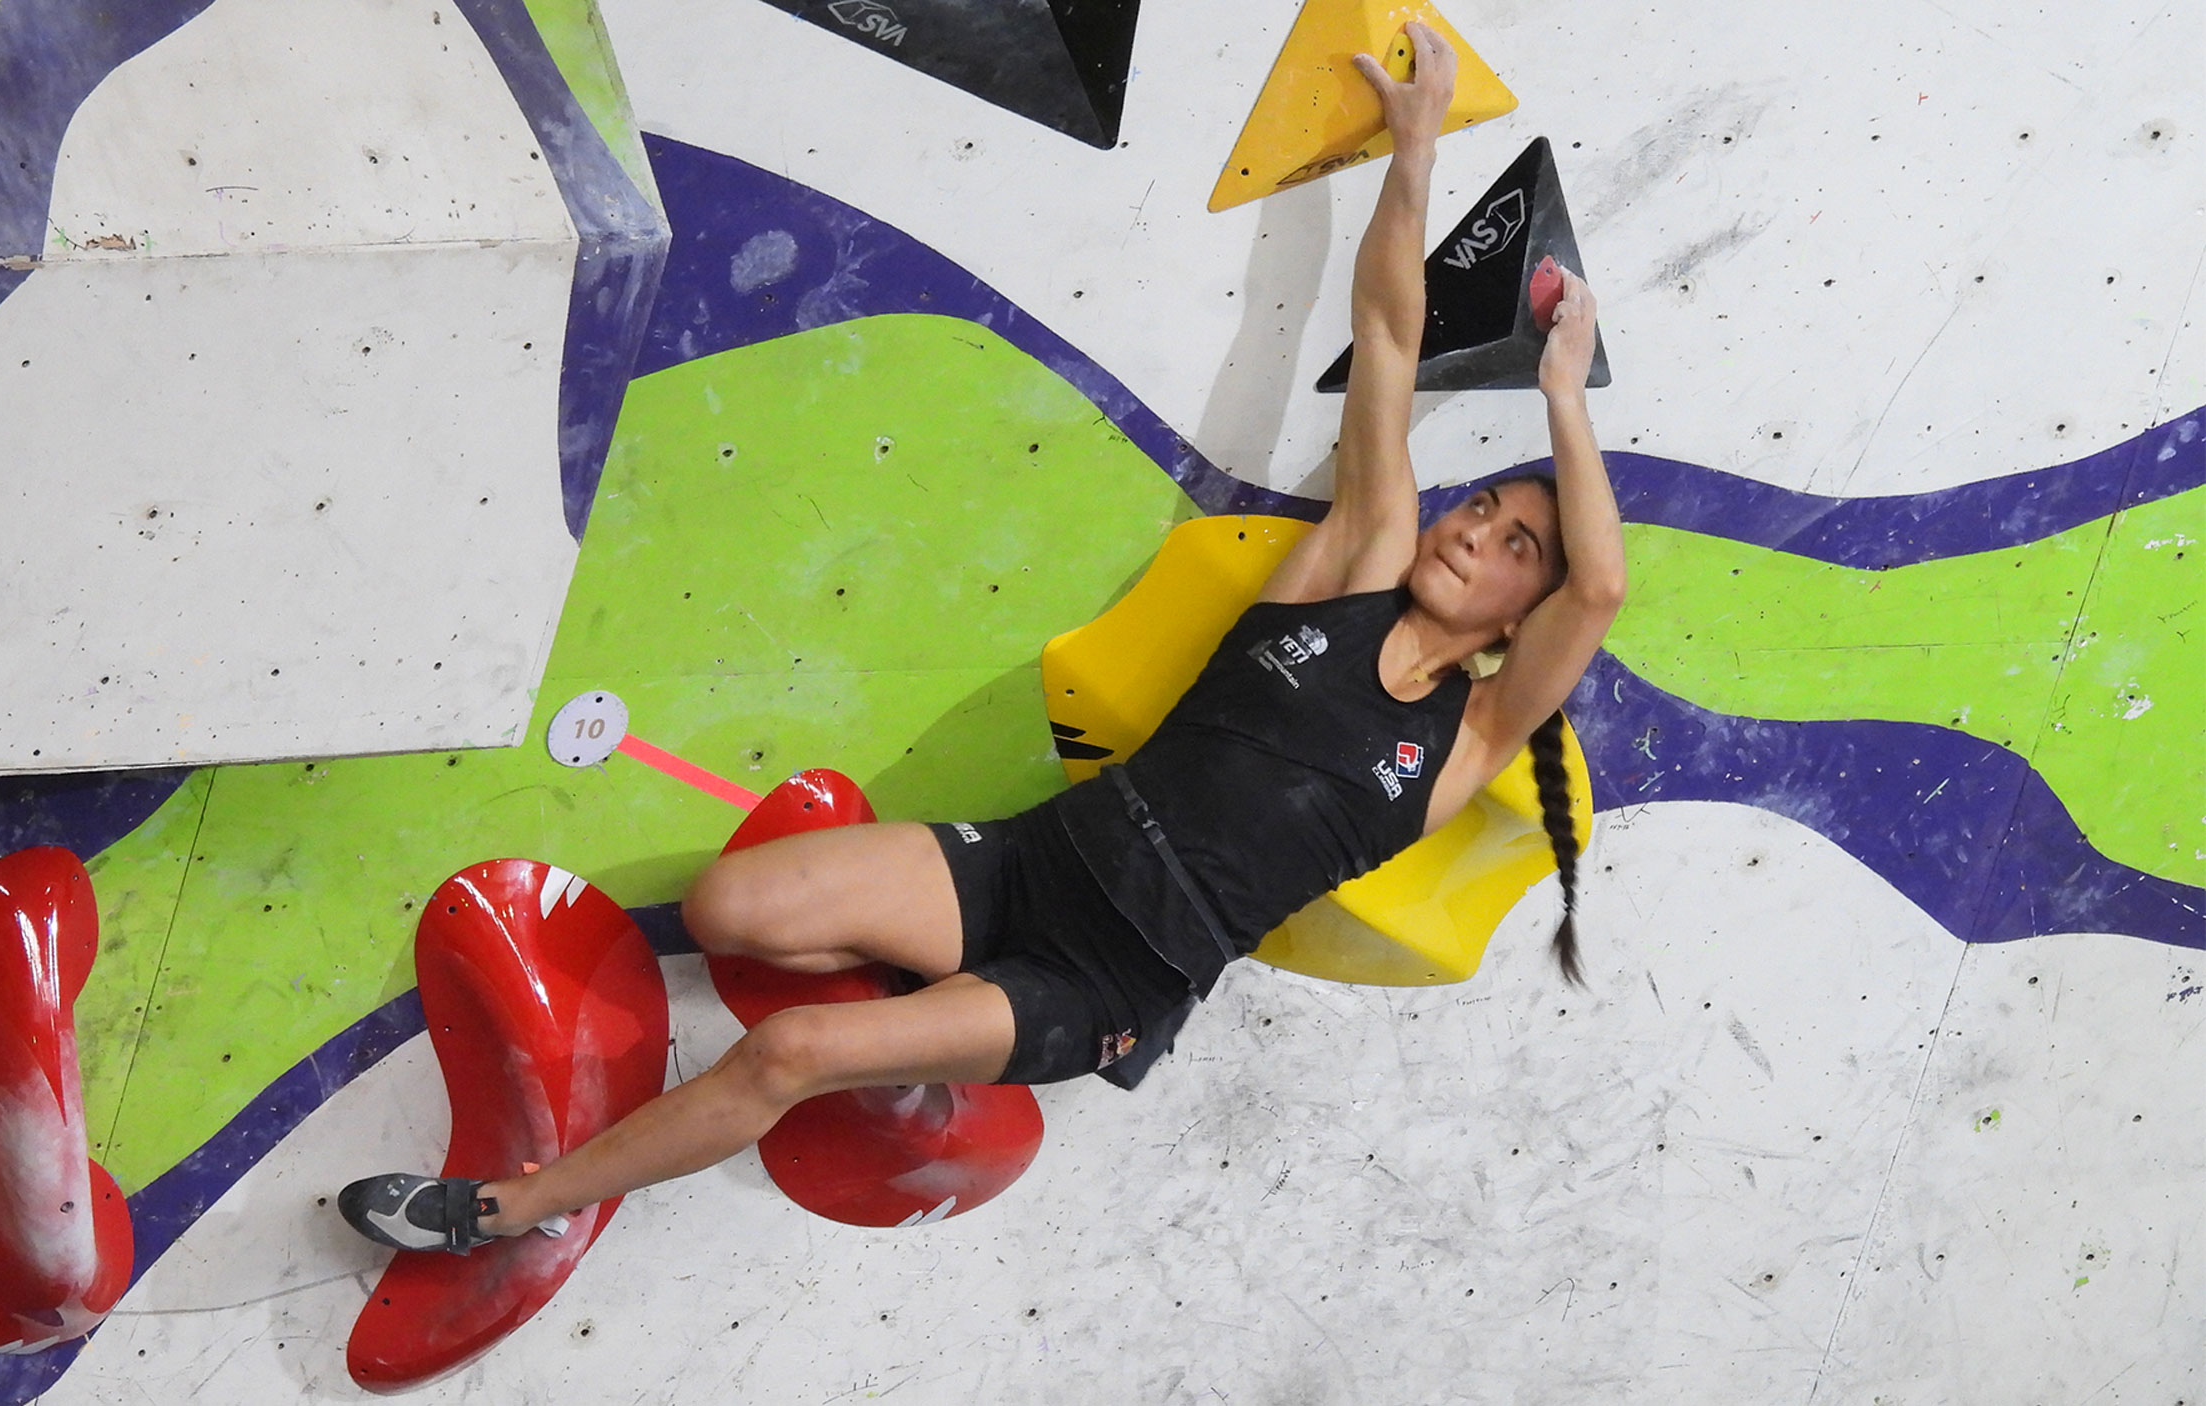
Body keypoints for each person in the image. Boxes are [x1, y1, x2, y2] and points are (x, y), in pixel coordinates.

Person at [339, 22, 1624, 1256]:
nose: (1474, 534)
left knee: (785, 1055)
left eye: (1517, 545)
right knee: (733, 905)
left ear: (1521, 620)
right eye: (1483, 506)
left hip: (1106, 981)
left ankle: (513, 1206)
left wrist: (1562, 398)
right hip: (1032, 862)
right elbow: (1391, 337)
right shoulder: (1351, 563)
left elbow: (1603, 590)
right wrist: (1411, 156)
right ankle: (919, 1002)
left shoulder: (1466, 738)